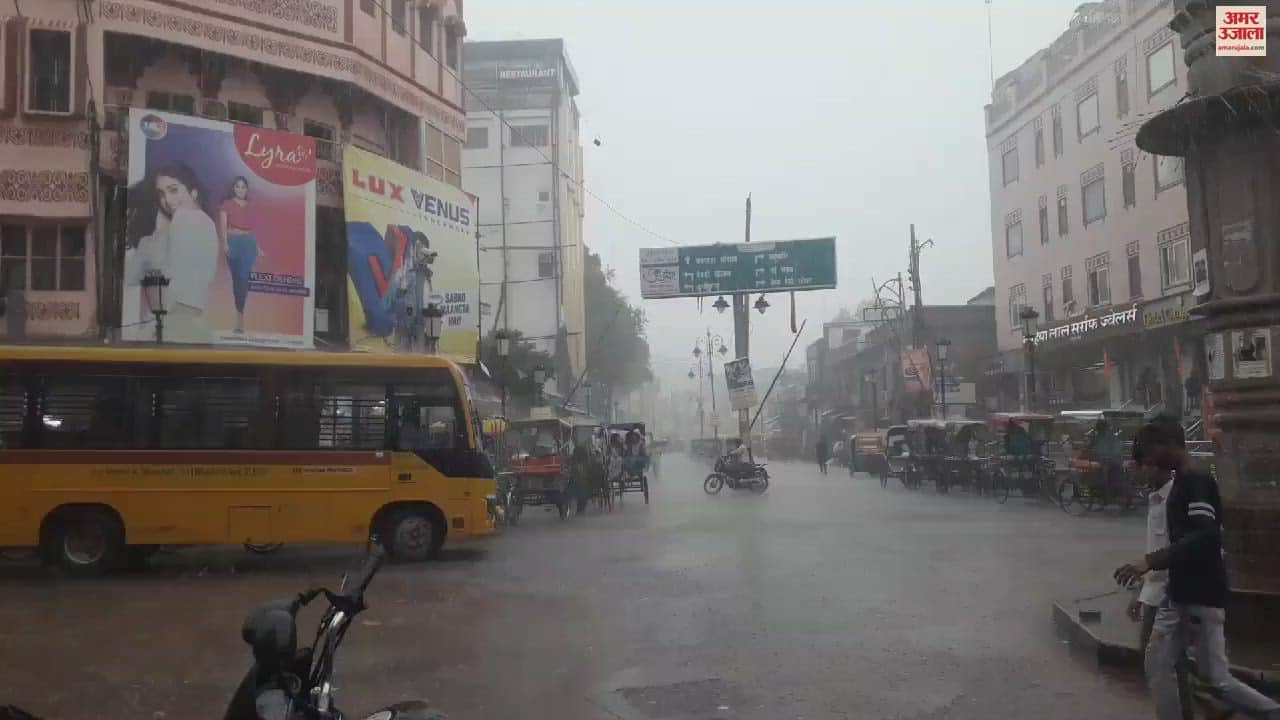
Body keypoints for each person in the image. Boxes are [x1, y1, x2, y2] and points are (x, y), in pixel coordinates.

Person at [1114, 415, 1280, 720]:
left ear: (1169, 446)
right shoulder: (1183, 482)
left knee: (1208, 675)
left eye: (1152, 453)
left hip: (1198, 596)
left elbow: (1205, 534)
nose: (1149, 462)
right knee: (1168, 665)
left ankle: (1270, 711)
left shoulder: (1196, 482)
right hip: (1182, 594)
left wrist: (1150, 562)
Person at [1127, 450, 1194, 720]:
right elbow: (1152, 551)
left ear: (1155, 466)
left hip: (1171, 595)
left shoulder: (1174, 501)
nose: (1137, 471)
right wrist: (1138, 593)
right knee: (1169, 664)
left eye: (1141, 466)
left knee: (1158, 663)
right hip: (1155, 593)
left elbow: (1175, 551)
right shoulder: (1155, 499)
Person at [125, 162, 219, 343]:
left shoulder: (182, 219)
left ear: (194, 191)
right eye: (161, 194)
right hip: (197, 324)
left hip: (176, 325)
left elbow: (137, 277)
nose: (167, 200)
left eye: (173, 190)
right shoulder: (208, 224)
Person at [218, 176, 264, 335]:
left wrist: (258, 247)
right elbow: (223, 227)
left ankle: (240, 318)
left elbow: (253, 229)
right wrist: (224, 243)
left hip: (248, 244)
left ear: (247, 189)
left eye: (243, 187)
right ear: (233, 188)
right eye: (237, 186)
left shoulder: (251, 206)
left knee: (244, 279)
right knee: (237, 279)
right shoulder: (227, 204)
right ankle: (238, 312)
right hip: (233, 242)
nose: (240, 189)